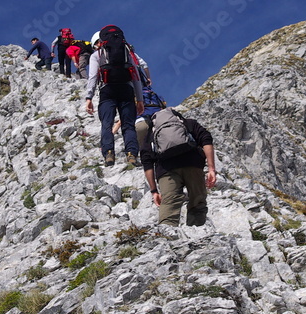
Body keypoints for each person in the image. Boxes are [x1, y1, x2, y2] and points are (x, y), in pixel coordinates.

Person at [141, 110, 217, 227]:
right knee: (198, 200)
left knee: (169, 203)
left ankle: (167, 236)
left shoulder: (151, 134)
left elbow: (147, 161)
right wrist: (211, 168)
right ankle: (197, 232)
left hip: (166, 170)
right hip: (193, 165)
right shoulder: (188, 123)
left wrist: (154, 191)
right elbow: (206, 138)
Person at [84, 25, 145, 167]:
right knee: (128, 125)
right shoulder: (127, 53)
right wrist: (140, 99)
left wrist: (89, 98)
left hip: (107, 90)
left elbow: (92, 77)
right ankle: (131, 154)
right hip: (126, 90)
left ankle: (109, 153)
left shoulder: (97, 55)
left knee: (107, 123)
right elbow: (136, 77)